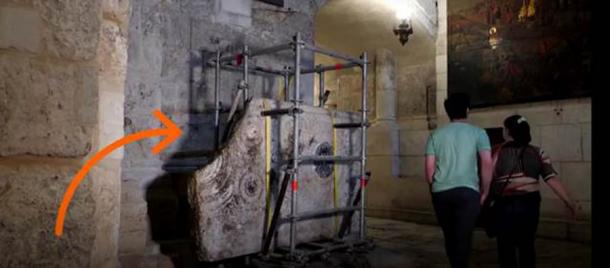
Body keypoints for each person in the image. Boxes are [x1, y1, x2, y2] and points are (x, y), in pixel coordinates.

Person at [491, 115, 577, 268]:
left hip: (504, 205)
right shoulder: (538, 152)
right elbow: (552, 179)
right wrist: (568, 201)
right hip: (529, 204)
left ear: (508, 131)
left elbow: (487, 177)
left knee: (505, 248)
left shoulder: (496, 152)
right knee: (527, 245)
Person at [425, 93, 493, 268]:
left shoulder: (436, 135)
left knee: (450, 236)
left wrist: (434, 187)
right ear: (467, 110)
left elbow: (429, 170)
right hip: (468, 191)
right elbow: (486, 163)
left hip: (441, 191)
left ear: (448, 112)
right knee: (464, 237)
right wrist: (485, 191)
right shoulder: (479, 133)